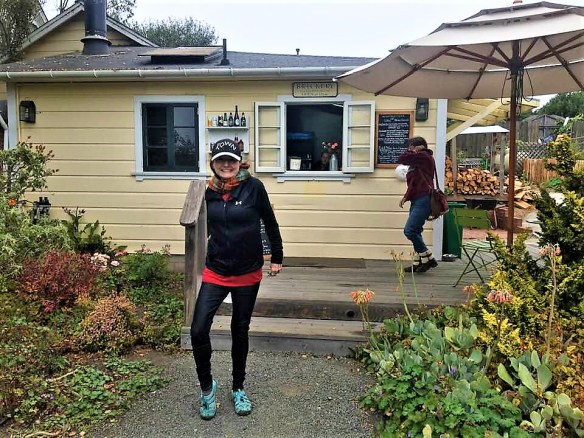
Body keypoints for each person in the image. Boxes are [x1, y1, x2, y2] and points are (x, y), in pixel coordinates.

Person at [190, 138, 283, 420]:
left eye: (231, 160)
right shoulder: (206, 191)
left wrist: (277, 256)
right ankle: (207, 389)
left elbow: (270, 221)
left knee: (239, 330)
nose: (226, 165)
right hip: (216, 270)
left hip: (247, 271)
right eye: (221, 160)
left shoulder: (254, 187)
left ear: (239, 162)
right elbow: (194, 222)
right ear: (213, 164)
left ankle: (238, 387)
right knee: (198, 330)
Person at [397, 136, 438, 273]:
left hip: (424, 199)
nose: (409, 150)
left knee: (410, 230)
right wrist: (406, 197)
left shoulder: (424, 157)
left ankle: (429, 257)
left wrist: (413, 151)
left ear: (419, 147)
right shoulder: (418, 160)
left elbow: (402, 158)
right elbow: (414, 183)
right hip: (416, 199)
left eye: (411, 147)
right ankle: (419, 263)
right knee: (416, 231)